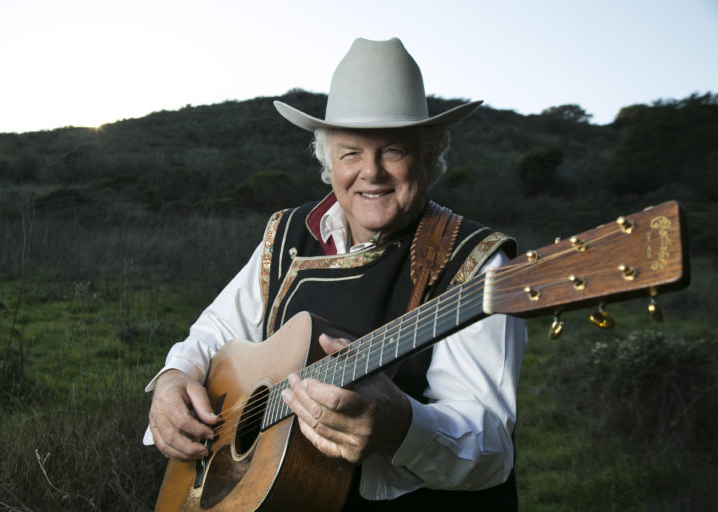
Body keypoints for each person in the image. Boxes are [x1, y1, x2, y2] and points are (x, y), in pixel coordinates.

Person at [145, 37, 527, 510]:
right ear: (329, 161)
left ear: (428, 157)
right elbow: (216, 331)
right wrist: (173, 377)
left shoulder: (476, 261)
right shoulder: (285, 233)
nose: (371, 172)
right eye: (350, 153)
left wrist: (401, 425)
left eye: (392, 151)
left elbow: (490, 448)